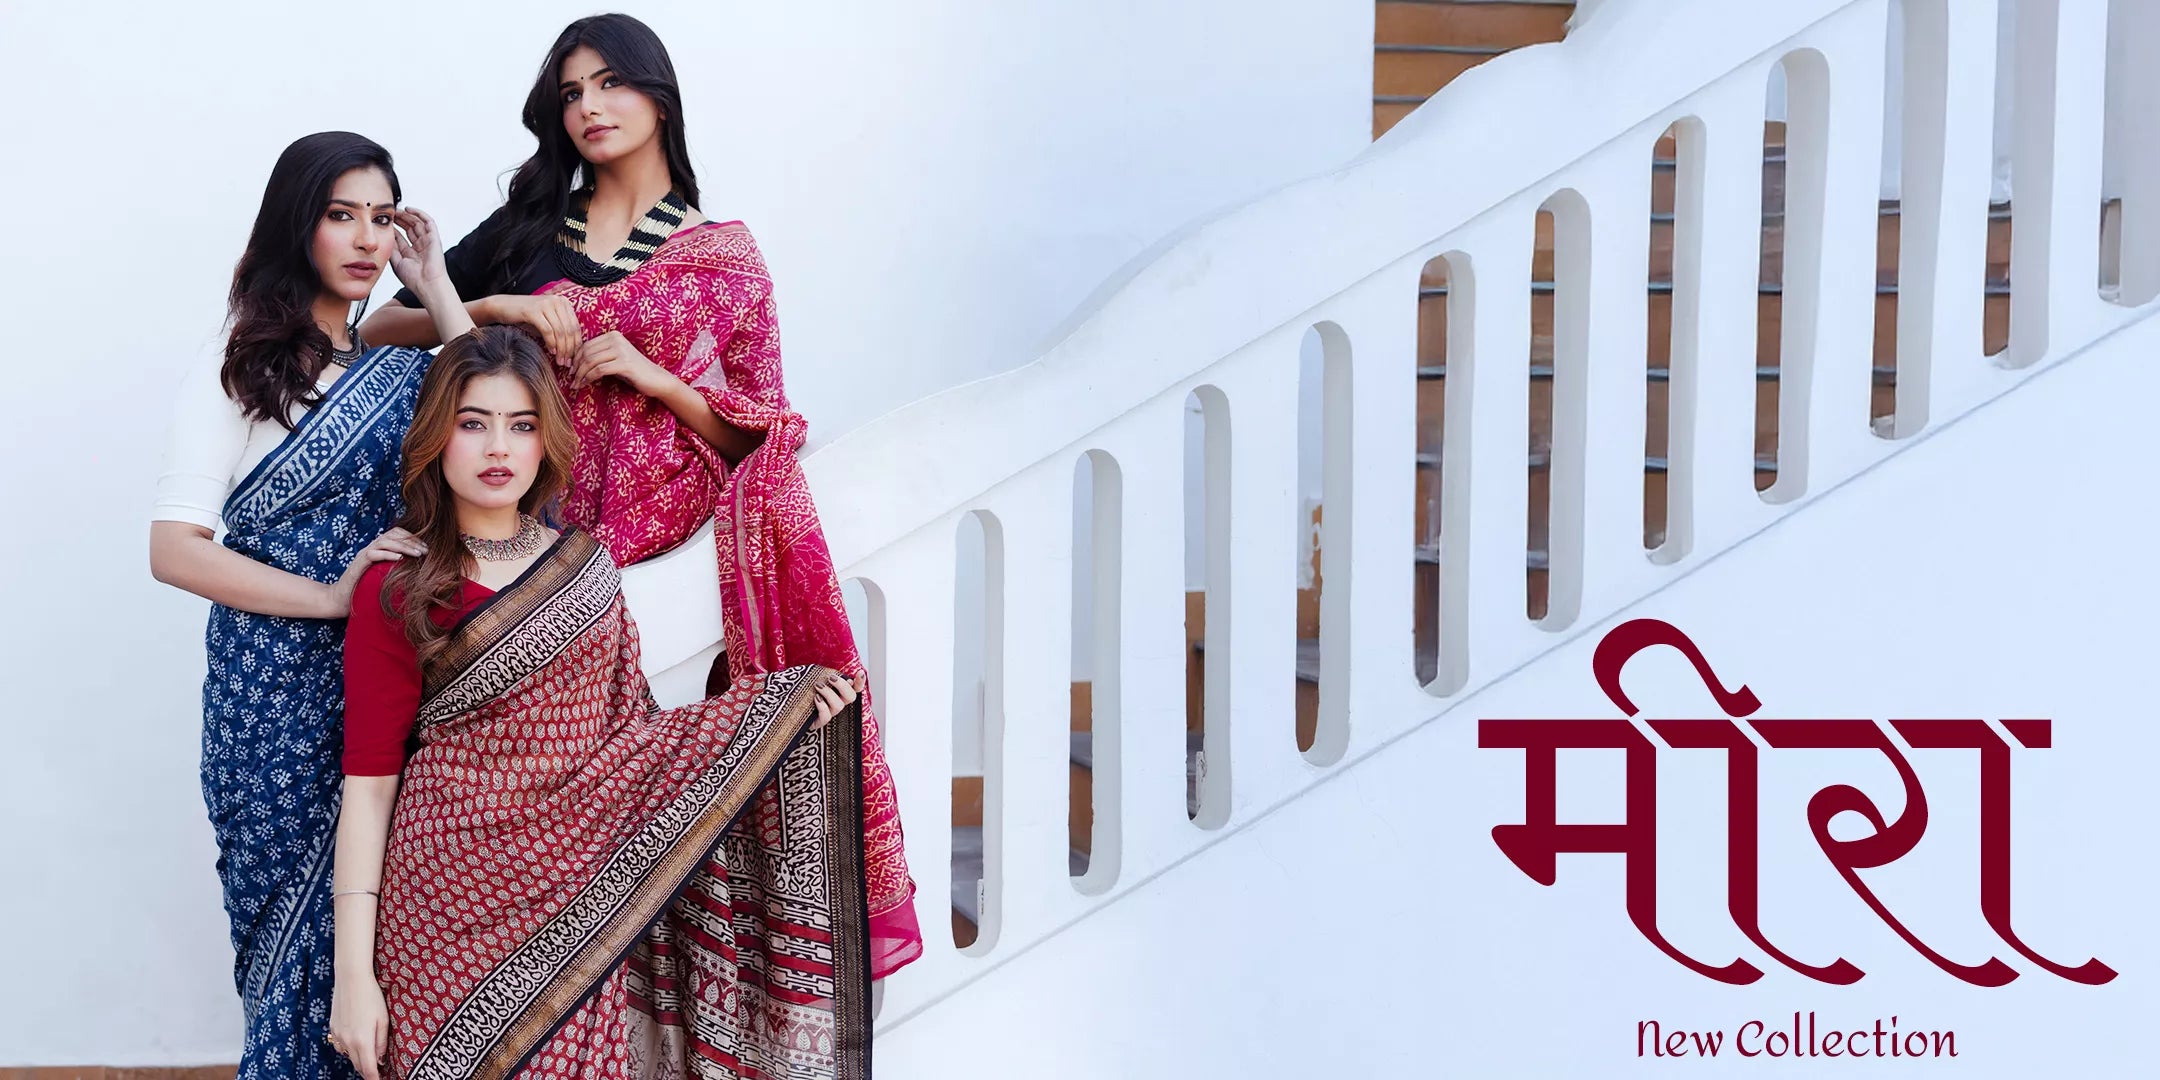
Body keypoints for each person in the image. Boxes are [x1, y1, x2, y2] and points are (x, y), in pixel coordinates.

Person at [359, 13, 921, 976]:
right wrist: (496, 307)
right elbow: (384, 328)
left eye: (611, 84)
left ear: (658, 95)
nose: (590, 108)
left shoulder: (723, 255)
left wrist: (659, 381)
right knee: (504, 784)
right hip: (531, 550)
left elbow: (766, 428)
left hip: (667, 556)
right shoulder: (532, 231)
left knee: (652, 804)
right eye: (572, 94)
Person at [326, 325, 871, 1079]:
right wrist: (352, 979)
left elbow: (631, 739)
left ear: (544, 440)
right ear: (435, 438)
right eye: (472, 423)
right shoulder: (397, 589)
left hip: (577, 903)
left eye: (519, 426)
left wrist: (773, 708)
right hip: (443, 909)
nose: (497, 449)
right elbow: (369, 782)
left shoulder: (582, 567)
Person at [148, 131, 475, 1080]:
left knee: (384, 948)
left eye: (383, 216)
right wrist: (333, 599)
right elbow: (173, 550)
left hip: (391, 686)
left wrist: (440, 285)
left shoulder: (395, 367)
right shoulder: (238, 362)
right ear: (299, 225)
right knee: (288, 953)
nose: (367, 237)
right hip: (268, 701)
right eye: (342, 214)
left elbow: (500, 410)